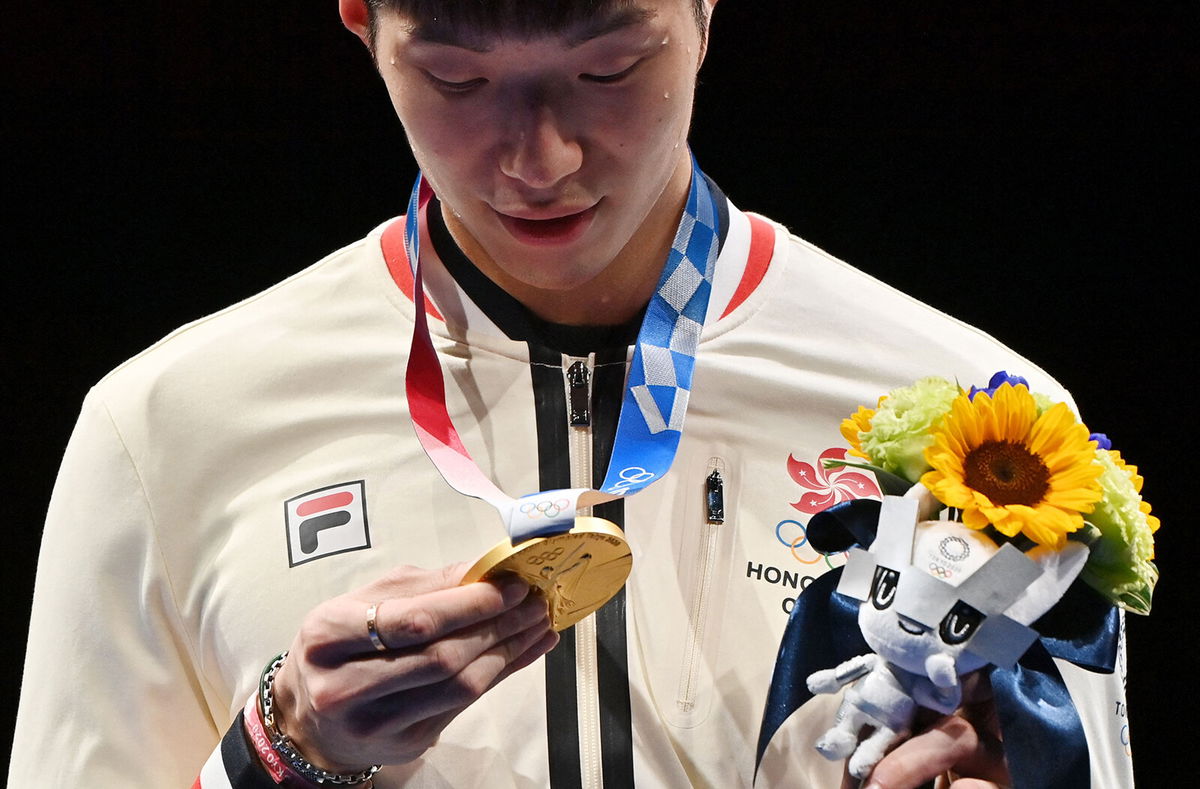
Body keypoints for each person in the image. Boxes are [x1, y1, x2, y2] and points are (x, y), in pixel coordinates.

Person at [9, 1, 1134, 787]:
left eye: (608, 69)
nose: (538, 159)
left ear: (703, 11)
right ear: (363, 24)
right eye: (457, 79)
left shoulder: (991, 424)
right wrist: (281, 747)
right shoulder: (163, 425)